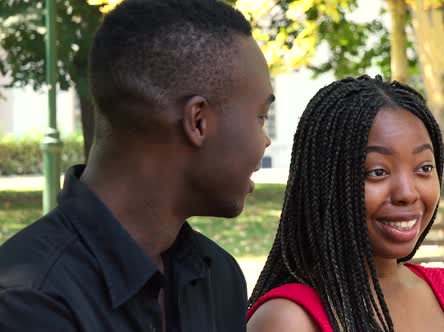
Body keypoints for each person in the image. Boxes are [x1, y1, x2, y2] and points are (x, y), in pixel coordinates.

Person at [0, 0, 273, 331]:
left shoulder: (218, 276)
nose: (264, 141)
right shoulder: (28, 300)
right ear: (198, 121)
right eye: (260, 117)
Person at [246, 75, 444, 332]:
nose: (407, 193)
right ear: (327, 183)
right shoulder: (290, 319)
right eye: (377, 172)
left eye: (424, 167)